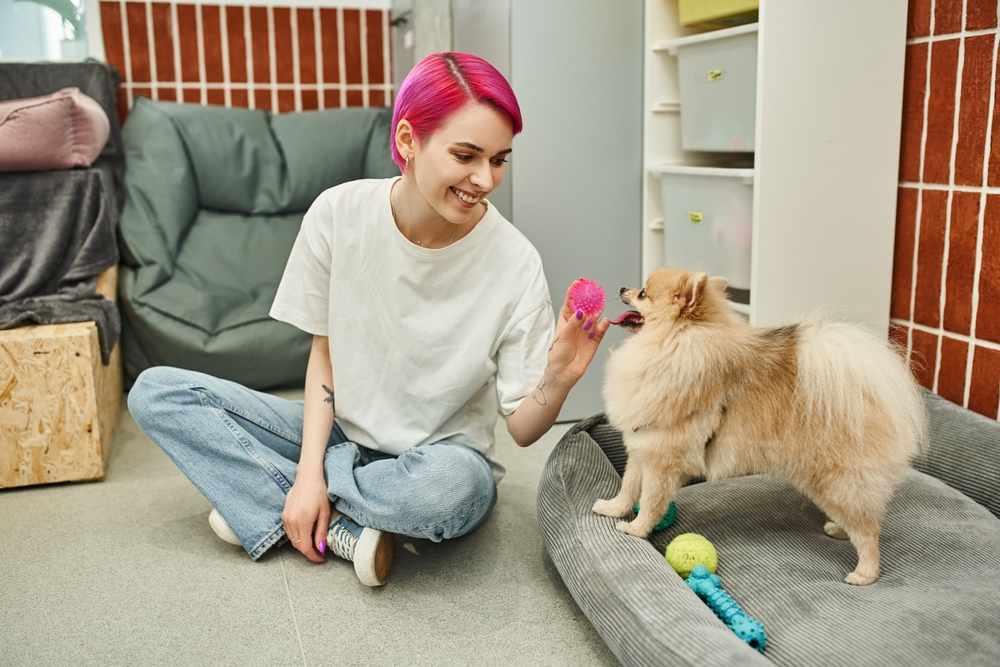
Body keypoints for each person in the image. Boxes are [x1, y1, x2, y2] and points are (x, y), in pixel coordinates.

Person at [128, 52, 612, 587]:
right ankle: (335, 516)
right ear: (408, 140)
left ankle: (273, 503)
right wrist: (310, 468)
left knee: (449, 493)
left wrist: (560, 378)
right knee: (157, 393)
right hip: (339, 433)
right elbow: (323, 355)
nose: (485, 179)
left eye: (499, 160)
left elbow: (522, 429)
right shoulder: (337, 215)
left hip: (441, 458)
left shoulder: (516, 262)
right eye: (466, 155)